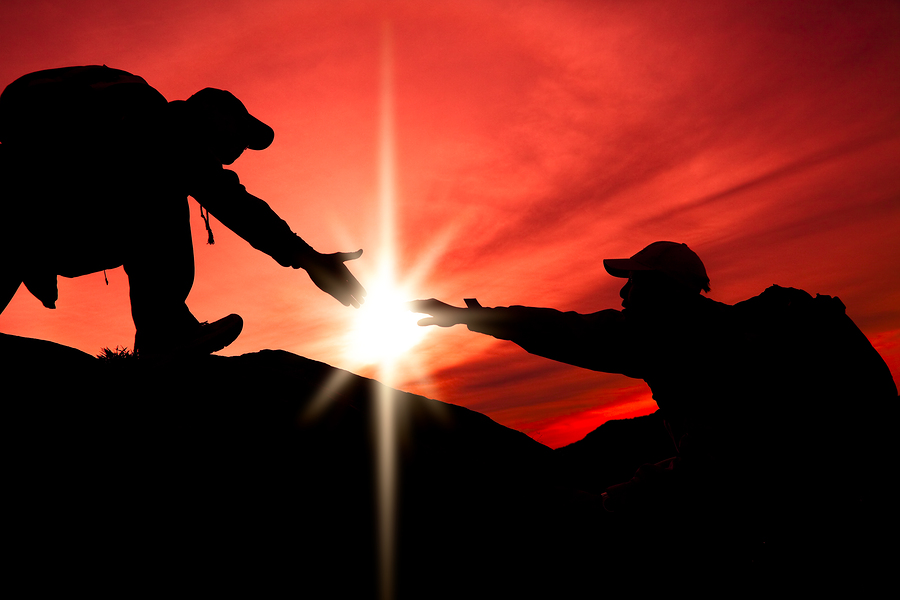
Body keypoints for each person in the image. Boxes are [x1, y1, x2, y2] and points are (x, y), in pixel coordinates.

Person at [409, 241, 897, 577]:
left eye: (634, 283)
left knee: (576, 517)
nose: (622, 293)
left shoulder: (673, 336)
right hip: (816, 494)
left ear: (662, 288)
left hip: (749, 501)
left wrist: (463, 316)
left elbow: (568, 331)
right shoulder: (740, 330)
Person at [0, 65, 366, 358]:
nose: (238, 152)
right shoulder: (164, 125)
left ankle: (161, 328)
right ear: (214, 118)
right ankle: (165, 332)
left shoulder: (131, 112)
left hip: (30, 201)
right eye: (240, 137)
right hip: (45, 204)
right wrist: (308, 258)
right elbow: (230, 200)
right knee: (165, 195)